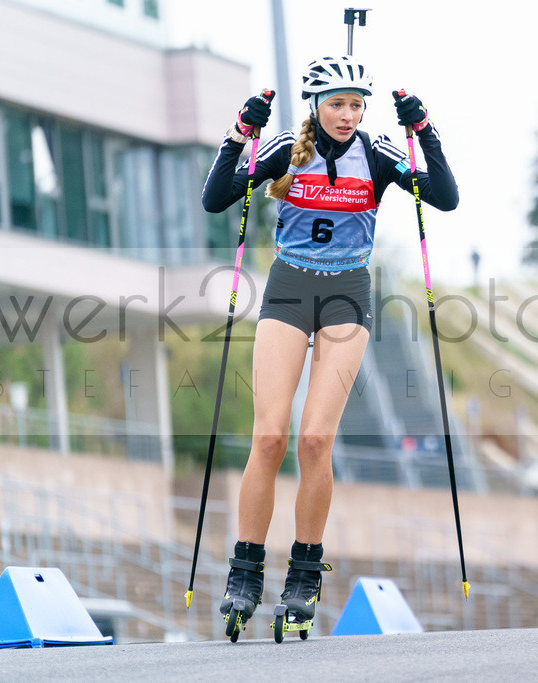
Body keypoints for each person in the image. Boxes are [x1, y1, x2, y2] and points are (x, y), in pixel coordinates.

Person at [201, 55, 458, 636]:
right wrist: (241, 132)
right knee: (269, 436)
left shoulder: (379, 153)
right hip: (289, 289)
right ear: (316, 104)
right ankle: (245, 571)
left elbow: (444, 198)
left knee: (315, 439)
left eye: (356, 105)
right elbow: (216, 199)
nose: (348, 115)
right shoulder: (286, 147)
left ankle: (305, 573)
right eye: (337, 104)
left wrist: (423, 132)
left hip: (347, 294)